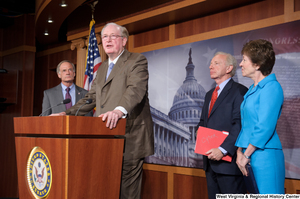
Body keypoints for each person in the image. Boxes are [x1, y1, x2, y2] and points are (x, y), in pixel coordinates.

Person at [51, 22, 154, 199]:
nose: (107, 40)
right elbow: (90, 98)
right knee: (106, 187)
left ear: (123, 40)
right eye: (104, 37)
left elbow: (135, 90)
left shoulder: (136, 60)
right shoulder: (103, 68)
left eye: (113, 36)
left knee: (127, 193)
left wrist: (119, 111)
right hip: (105, 137)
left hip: (130, 137)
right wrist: (66, 114)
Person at [235, 39, 285, 194]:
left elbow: (264, 126)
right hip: (249, 154)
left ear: (257, 64)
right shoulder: (252, 89)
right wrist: (239, 151)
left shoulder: (272, 87)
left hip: (266, 156)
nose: (240, 64)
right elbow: (246, 125)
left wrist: (245, 154)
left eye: (244, 60)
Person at [197, 52, 248, 199]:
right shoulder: (208, 95)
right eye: (211, 63)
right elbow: (202, 123)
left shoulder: (239, 91)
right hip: (209, 163)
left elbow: (239, 124)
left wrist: (223, 149)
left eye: (216, 63)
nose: (210, 66)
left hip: (229, 166)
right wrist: (199, 137)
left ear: (229, 68)